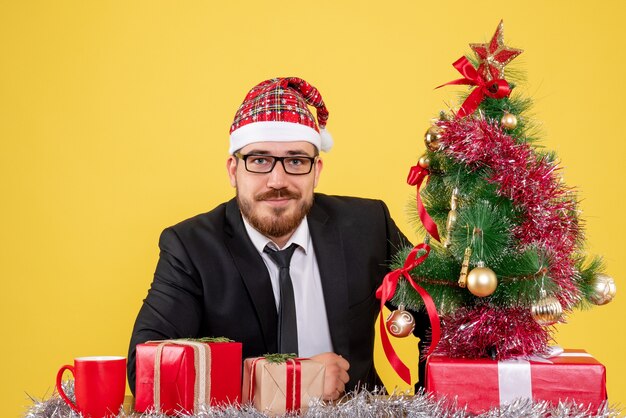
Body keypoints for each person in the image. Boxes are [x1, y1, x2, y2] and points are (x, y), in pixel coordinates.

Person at [127, 77, 428, 400]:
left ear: (316, 171)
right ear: (233, 170)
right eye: (259, 160)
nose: (277, 180)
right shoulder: (190, 247)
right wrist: (295, 382)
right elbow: (146, 370)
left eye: (296, 160)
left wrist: (433, 403)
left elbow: (440, 318)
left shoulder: (367, 226)